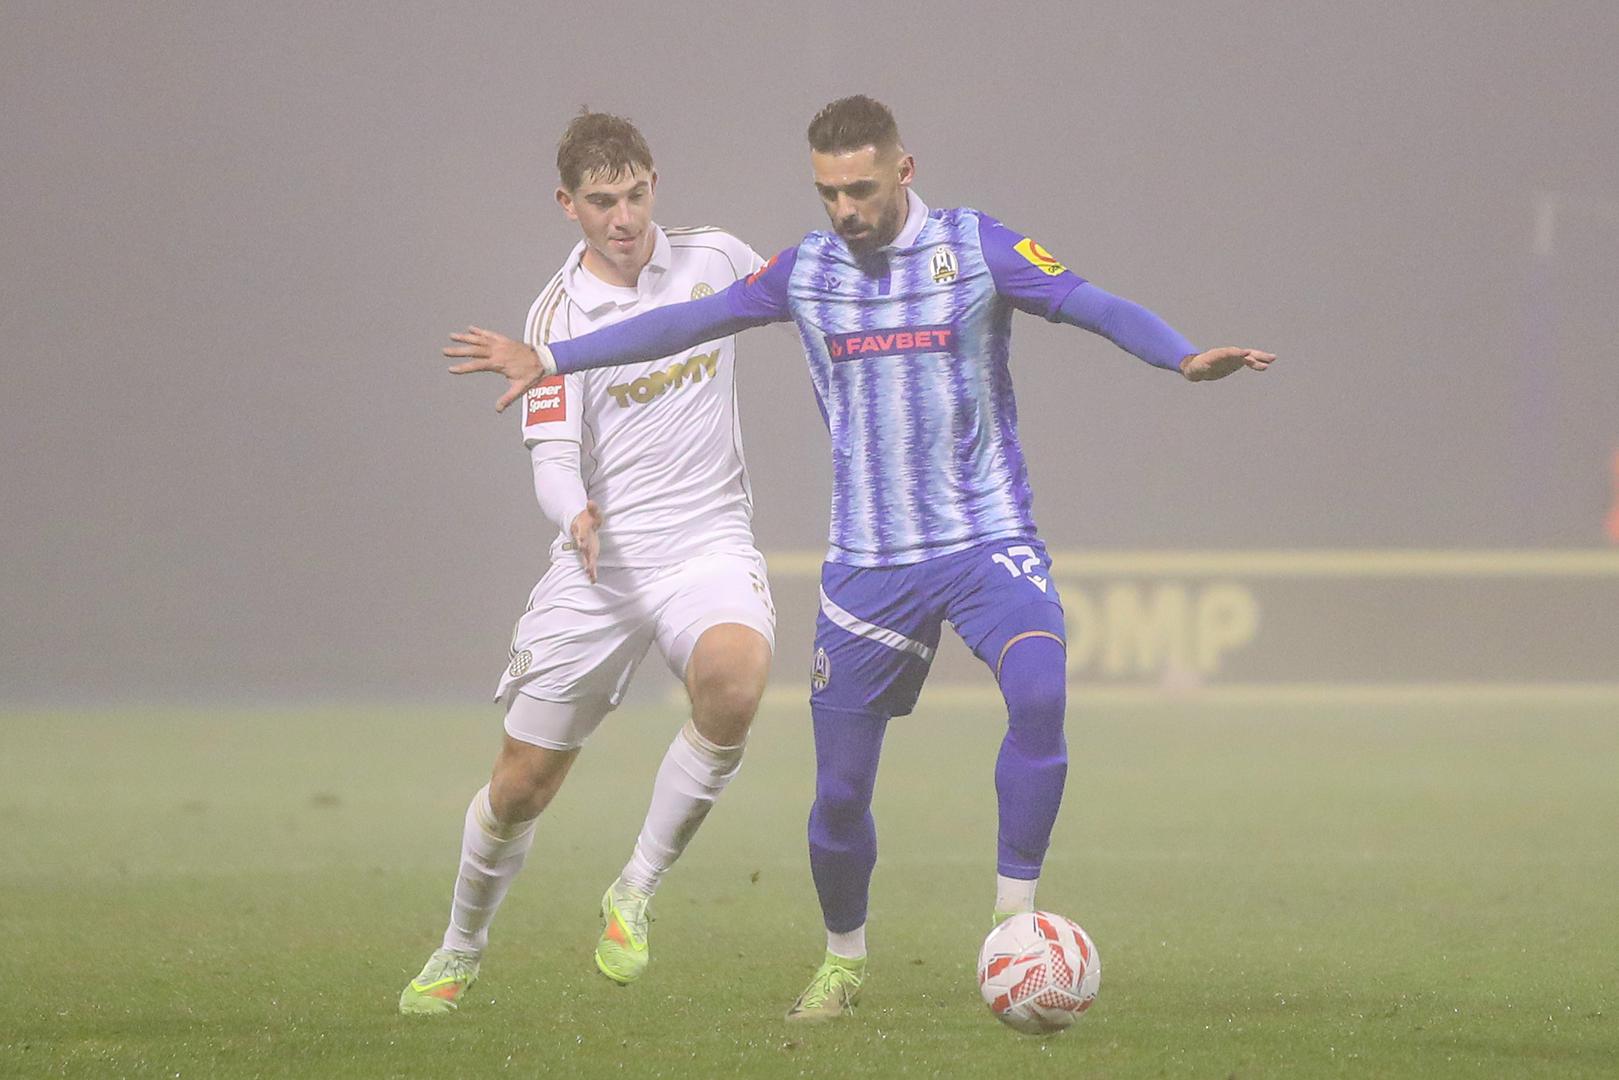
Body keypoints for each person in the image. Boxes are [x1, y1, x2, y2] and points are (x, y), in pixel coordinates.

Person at [450, 95, 1276, 1021]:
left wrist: (1178, 357)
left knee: (1040, 693)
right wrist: (555, 358)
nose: (844, 209)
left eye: (861, 189)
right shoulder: (805, 271)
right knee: (840, 793)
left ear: (903, 171)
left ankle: (1014, 922)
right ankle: (842, 962)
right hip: (869, 564)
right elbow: (685, 324)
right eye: (828, 192)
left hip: (984, 536)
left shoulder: (974, 248)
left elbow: (1090, 303)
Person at [400, 111, 776, 1015]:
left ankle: (634, 890)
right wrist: (573, 513)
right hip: (601, 564)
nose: (624, 217)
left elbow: (805, 305)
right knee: (521, 785)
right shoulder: (555, 316)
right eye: (602, 202)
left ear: (655, 182)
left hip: (708, 544)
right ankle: (459, 948)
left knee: (735, 682)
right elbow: (552, 459)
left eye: (636, 194)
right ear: (567, 205)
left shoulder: (718, 256)